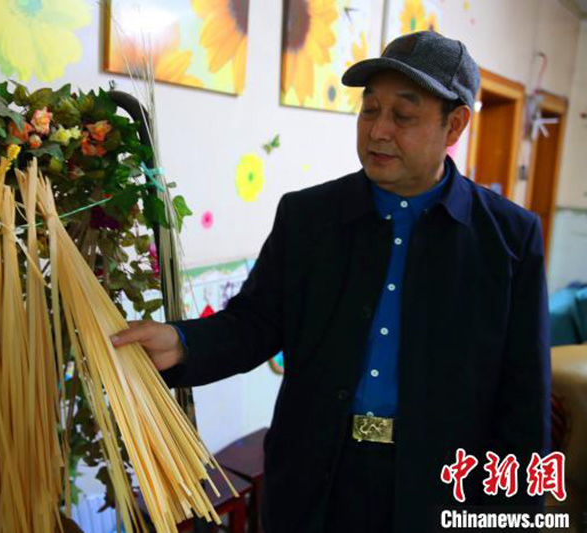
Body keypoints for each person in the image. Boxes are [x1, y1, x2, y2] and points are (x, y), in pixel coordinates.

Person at [111, 31, 551, 533]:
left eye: (403, 116)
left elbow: (523, 402)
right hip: (314, 478)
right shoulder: (308, 218)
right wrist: (183, 342)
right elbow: (257, 322)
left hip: (440, 489)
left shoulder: (509, 238)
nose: (378, 131)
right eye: (370, 110)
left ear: (454, 125)